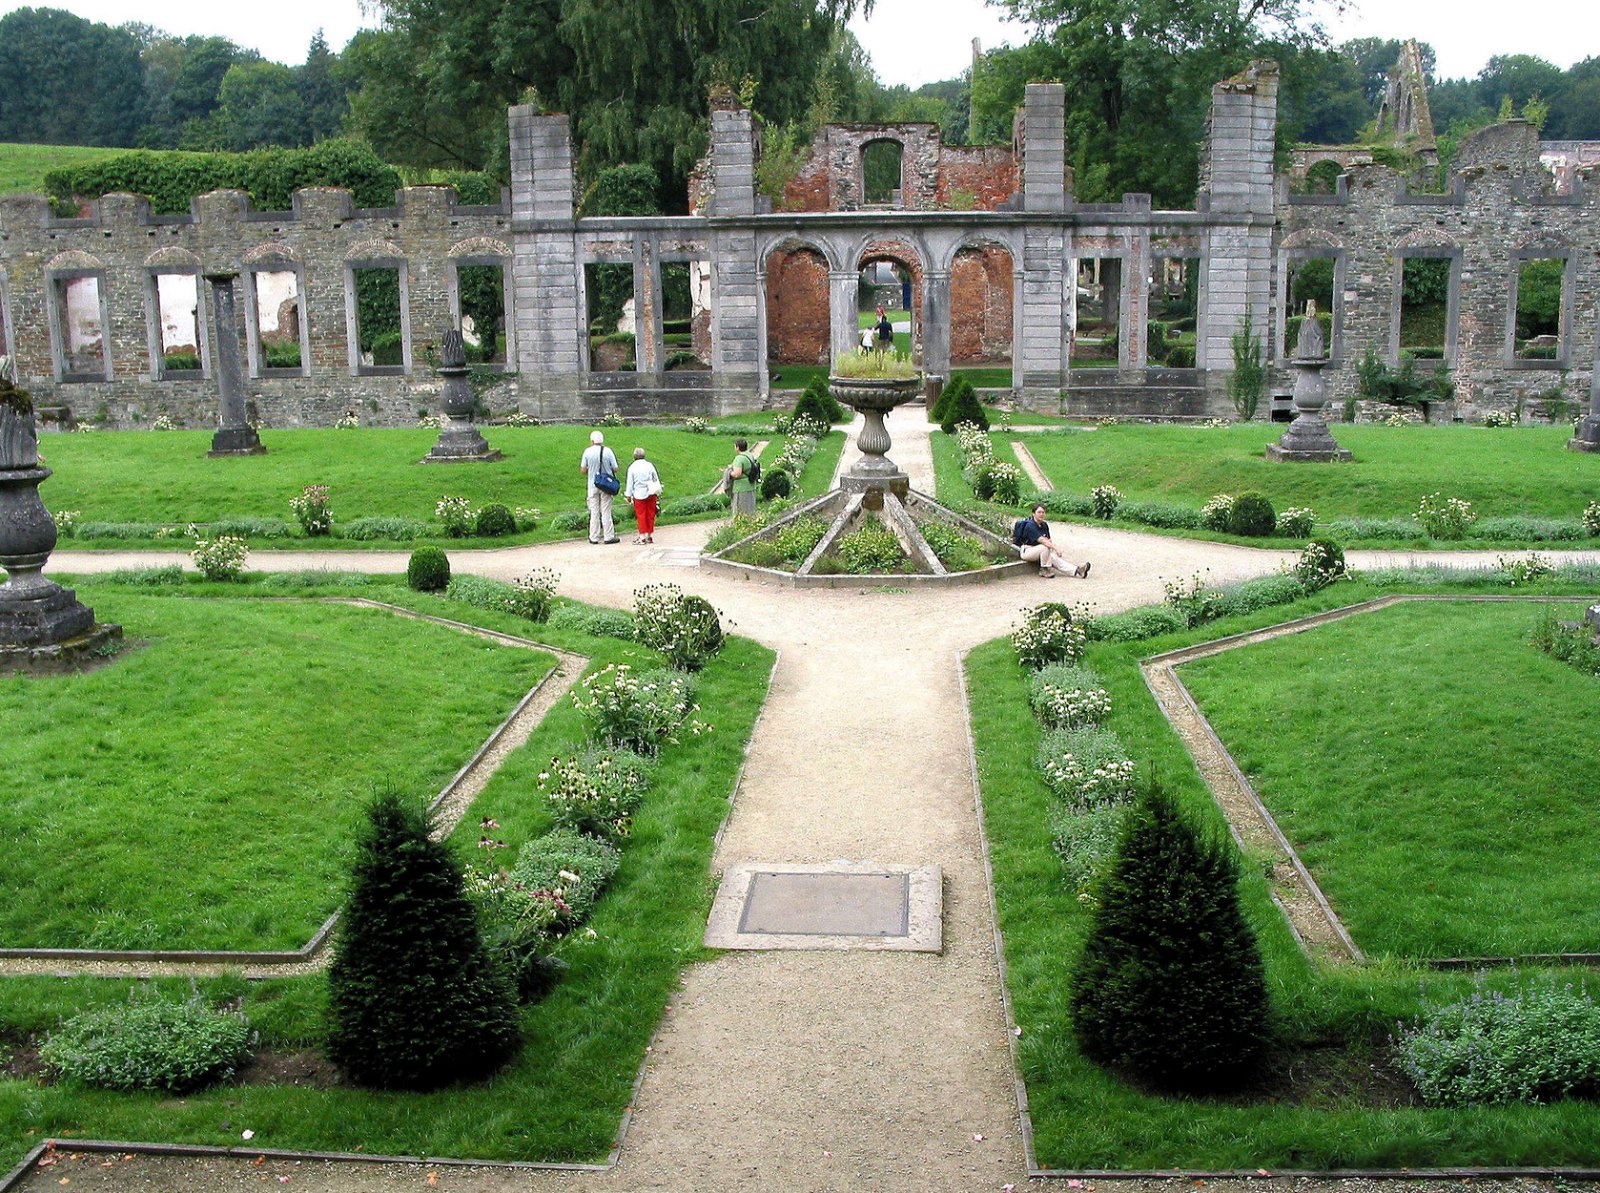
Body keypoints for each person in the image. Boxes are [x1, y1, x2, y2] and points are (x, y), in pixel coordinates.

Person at [1013, 504, 1090, 579]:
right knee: (1045, 547)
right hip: (1027, 551)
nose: (1041, 514)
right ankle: (1044, 570)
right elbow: (1043, 541)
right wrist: (1056, 548)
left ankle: (1078, 570)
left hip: (1040, 551)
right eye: (1039, 512)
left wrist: (1051, 550)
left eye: (1043, 512)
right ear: (1033, 514)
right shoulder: (1030, 526)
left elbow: (1048, 540)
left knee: (1055, 559)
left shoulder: (1044, 525)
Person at [579, 430, 621, 545]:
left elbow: (583, 469)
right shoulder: (608, 451)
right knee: (606, 510)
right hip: (606, 485)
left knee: (594, 511)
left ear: (592, 441)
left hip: (593, 484)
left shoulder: (587, 452)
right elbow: (616, 468)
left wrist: (592, 469)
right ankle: (608, 536)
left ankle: (594, 537)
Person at [625, 446, 662, 543]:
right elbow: (655, 478)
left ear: (634, 456)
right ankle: (649, 535)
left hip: (638, 493)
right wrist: (658, 491)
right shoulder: (650, 465)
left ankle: (642, 536)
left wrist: (628, 495)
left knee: (641, 515)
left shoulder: (632, 467)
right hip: (651, 492)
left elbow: (630, 483)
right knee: (650, 514)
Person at [728, 437, 757, 517]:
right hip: (751, 485)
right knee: (750, 510)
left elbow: (737, 474)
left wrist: (728, 472)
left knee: (741, 511)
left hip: (741, 488)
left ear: (737, 447)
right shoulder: (749, 455)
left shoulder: (739, 458)